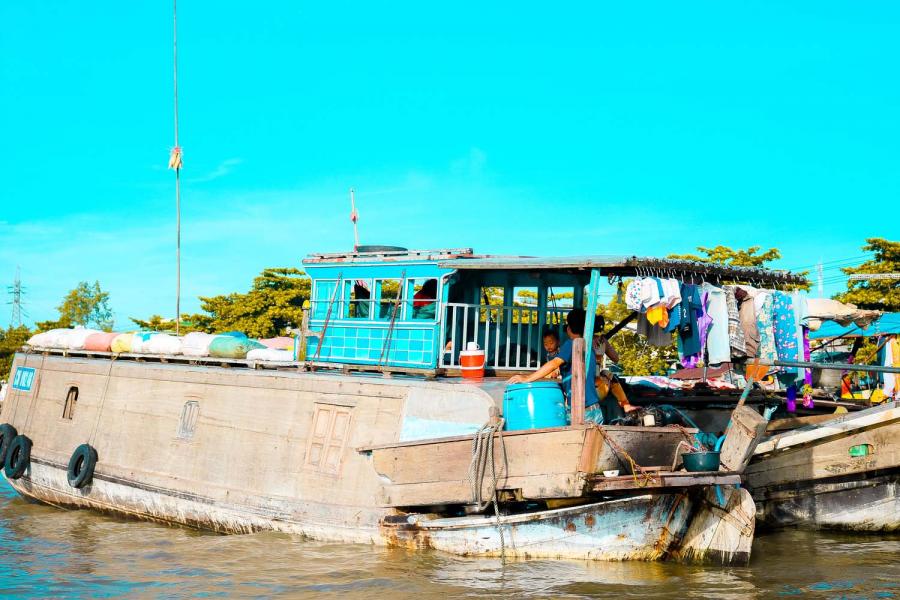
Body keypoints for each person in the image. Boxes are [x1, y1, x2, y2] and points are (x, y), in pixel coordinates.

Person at [509, 309, 604, 423]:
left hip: (581, 411)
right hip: (595, 409)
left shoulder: (572, 343)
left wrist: (527, 378)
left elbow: (554, 364)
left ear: (569, 328)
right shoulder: (588, 346)